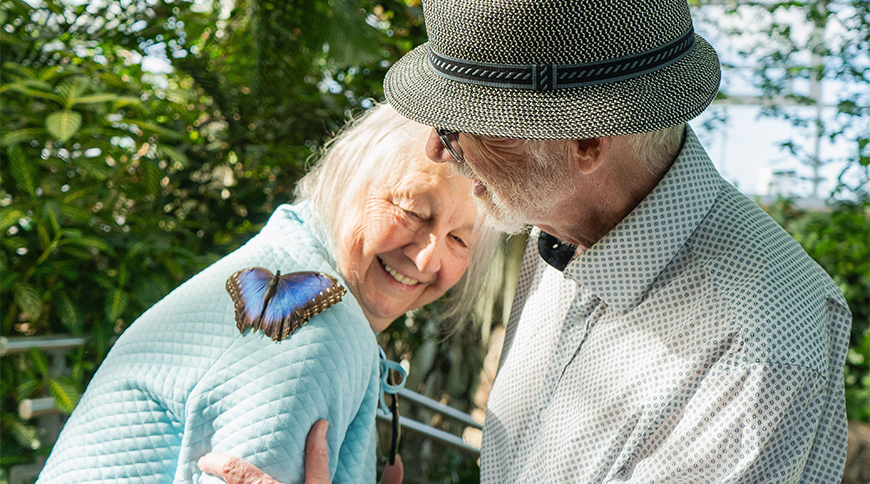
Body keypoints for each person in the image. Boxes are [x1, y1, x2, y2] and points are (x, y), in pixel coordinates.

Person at [203, 0, 853, 482]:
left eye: (465, 124)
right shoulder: (563, 230)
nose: (435, 145)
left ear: (588, 139)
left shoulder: (755, 351)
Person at [35, 103, 499, 484]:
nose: (426, 259)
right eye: (412, 211)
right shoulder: (320, 327)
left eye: (460, 240)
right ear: (346, 180)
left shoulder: (283, 259)